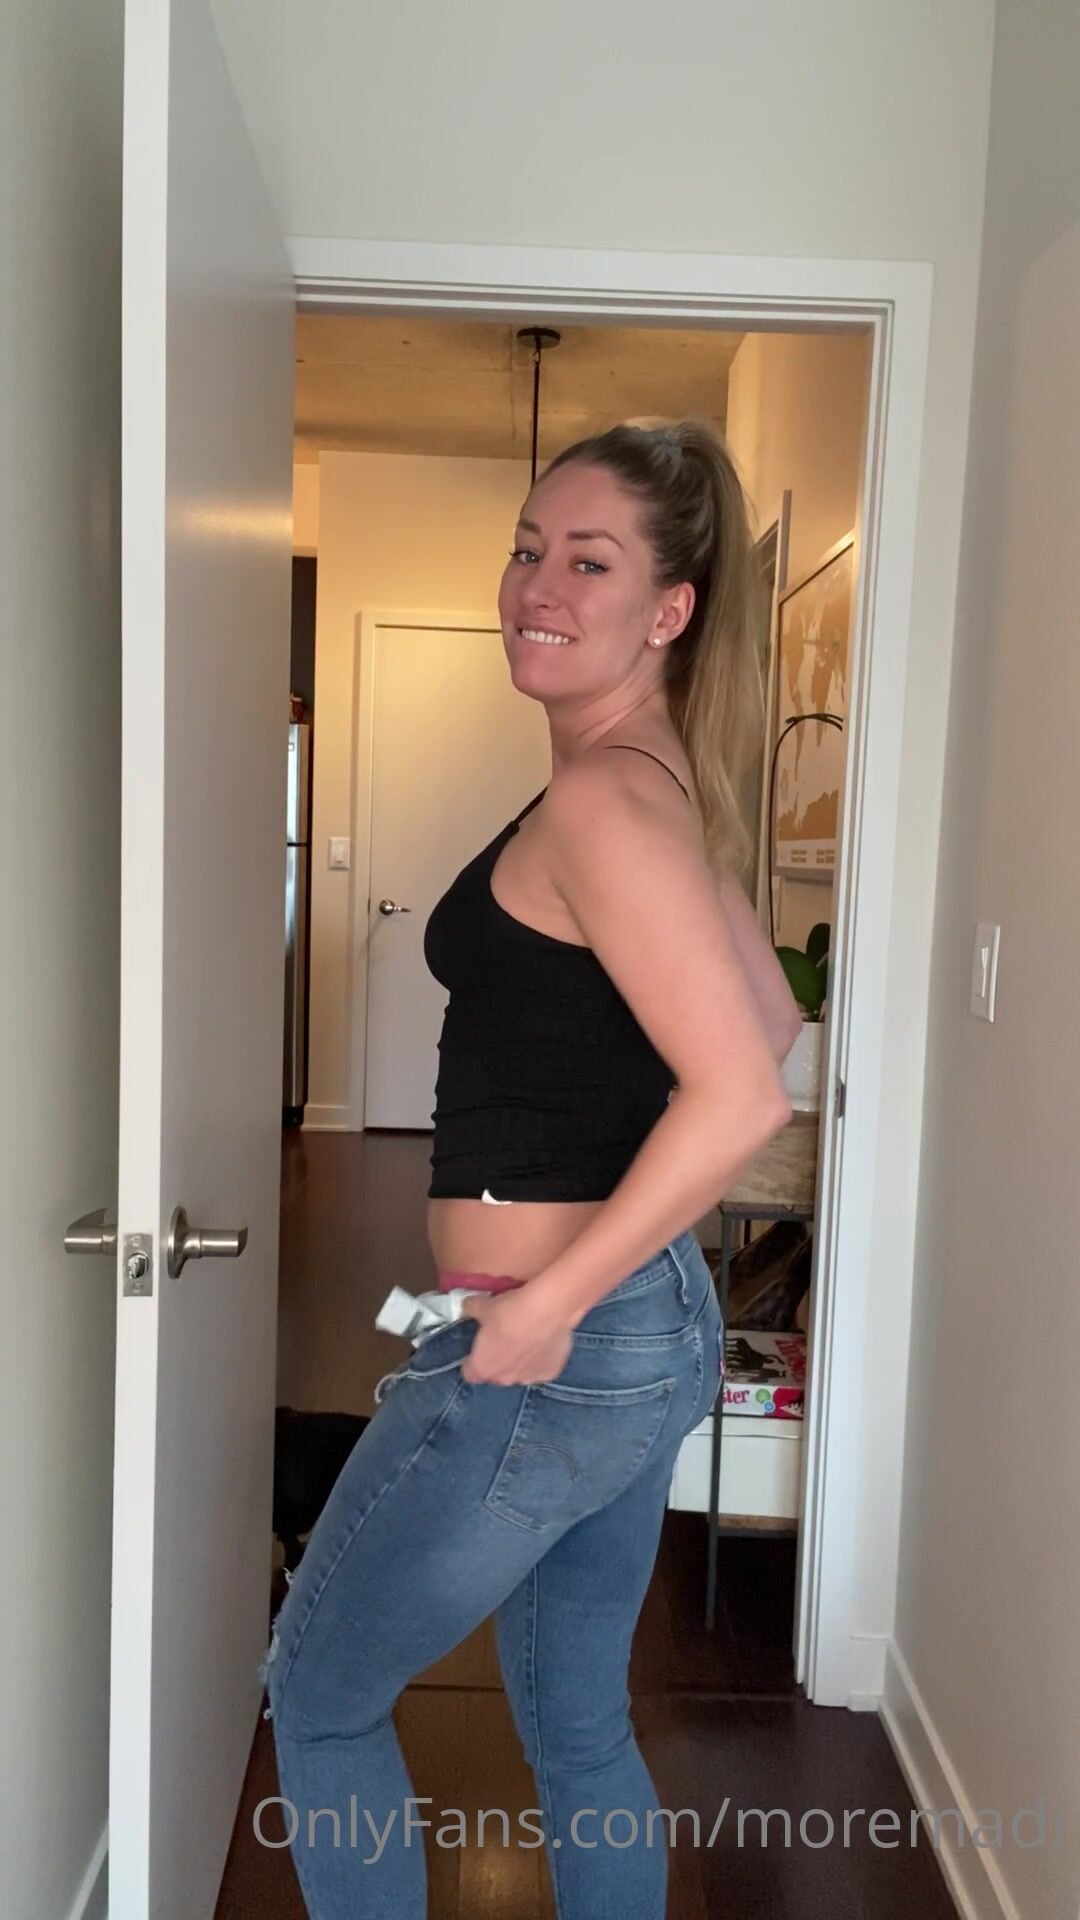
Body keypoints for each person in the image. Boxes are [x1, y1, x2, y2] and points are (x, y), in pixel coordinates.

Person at [258, 419, 803, 1919]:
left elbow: (742, 1088)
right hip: (639, 1327)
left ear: (670, 608)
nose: (536, 587)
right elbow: (767, 1017)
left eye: (589, 561)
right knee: (576, 1724)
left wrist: (550, 1301)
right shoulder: (654, 781)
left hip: (556, 1342)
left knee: (318, 1695)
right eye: (526, 549)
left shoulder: (603, 800)